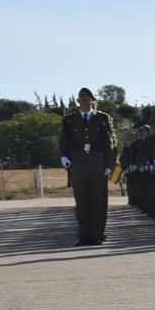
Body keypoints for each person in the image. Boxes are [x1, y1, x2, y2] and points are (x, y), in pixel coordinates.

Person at [58, 87, 119, 246]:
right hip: (77, 165)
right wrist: (64, 156)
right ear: (77, 100)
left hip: (97, 164)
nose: (84, 99)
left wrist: (109, 165)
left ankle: (97, 234)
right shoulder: (69, 120)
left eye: (87, 96)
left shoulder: (103, 118)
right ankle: (83, 235)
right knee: (82, 203)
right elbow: (64, 140)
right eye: (81, 96)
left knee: (98, 201)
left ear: (93, 100)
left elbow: (111, 142)